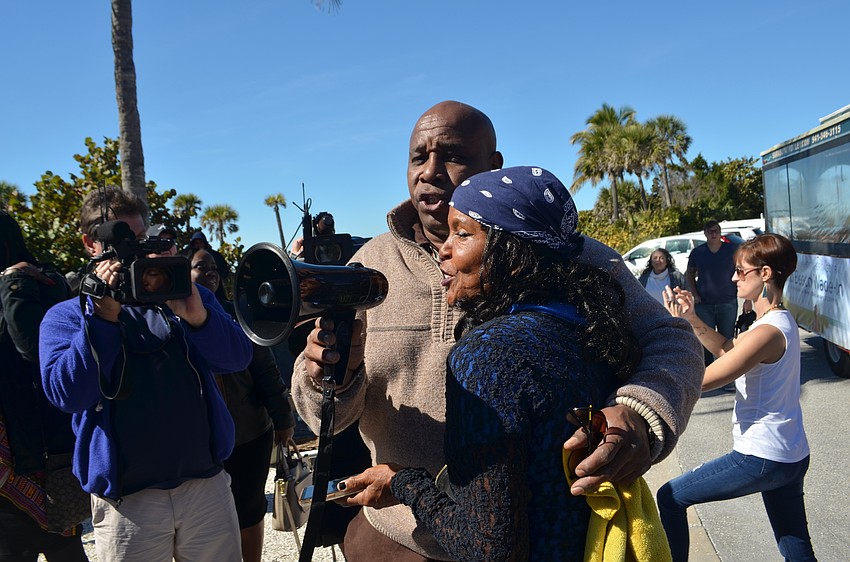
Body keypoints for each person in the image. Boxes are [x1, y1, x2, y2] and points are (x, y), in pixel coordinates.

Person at [292, 100, 704, 561]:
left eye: (452, 154)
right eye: (417, 157)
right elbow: (317, 413)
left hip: (541, 538)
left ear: (493, 166)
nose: (430, 171)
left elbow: (672, 339)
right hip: (398, 533)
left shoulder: (565, 253)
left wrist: (639, 414)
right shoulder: (367, 266)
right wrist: (329, 377)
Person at [384, 166, 643, 560]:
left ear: (514, 254)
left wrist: (403, 483)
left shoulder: (486, 356)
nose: (444, 249)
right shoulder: (591, 328)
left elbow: (489, 549)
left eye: (463, 233)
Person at [39, 187, 253, 562]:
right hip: (127, 504)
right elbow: (67, 395)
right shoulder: (67, 316)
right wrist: (102, 320)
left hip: (206, 487)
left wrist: (196, 314)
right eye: (123, 241)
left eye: (140, 239)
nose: (134, 252)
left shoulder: (180, 298)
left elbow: (237, 358)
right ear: (91, 244)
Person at [657, 233, 816, 561]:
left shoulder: (767, 331)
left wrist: (653, 374)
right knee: (796, 549)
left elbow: (706, 379)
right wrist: (690, 318)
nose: (734, 278)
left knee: (670, 497)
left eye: (741, 272)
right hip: (789, 455)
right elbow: (730, 351)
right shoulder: (777, 321)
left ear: (765, 274)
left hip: (762, 457)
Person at [189, 247, 296, 562]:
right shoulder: (169, 320)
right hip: (200, 443)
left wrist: (283, 419)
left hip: (248, 434)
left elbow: (266, 370)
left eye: (213, 267)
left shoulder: (239, 315)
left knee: (248, 512)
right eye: (199, 266)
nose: (209, 272)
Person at [0, 211, 88, 561]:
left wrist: (14, 285)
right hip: (8, 464)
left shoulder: (44, 284)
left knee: (64, 547)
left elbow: (31, 347)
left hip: (44, 460)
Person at [686, 220, 749, 364]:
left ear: (720, 232)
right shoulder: (698, 252)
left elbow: (744, 272)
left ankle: (728, 375)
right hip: (704, 304)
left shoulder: (732, 249)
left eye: (716, 231)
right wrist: (694, 294)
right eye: (710, 231)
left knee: (727, 340)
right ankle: (708, 373)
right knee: (705, 340)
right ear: (705, 234)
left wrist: (748, 299)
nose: (713, 234)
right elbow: (689, 273)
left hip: (728, 302)